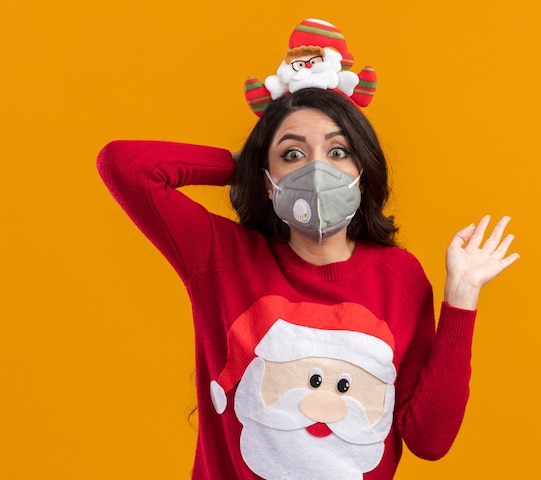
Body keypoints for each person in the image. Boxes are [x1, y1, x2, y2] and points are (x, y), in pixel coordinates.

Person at [97, 22, 519, 480]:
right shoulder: (222, 258)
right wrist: (245, 165)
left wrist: (461, 298)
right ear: (268, 175)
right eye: (293, 155)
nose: (317, 170)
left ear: (363, 167)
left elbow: (429, 441)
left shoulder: (399, 276)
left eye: (338, 152)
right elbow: (124, 165)